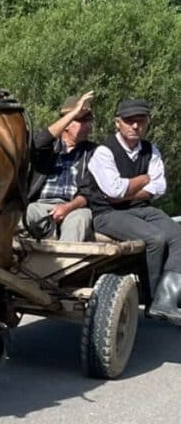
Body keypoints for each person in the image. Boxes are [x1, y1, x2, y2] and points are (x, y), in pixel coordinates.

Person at [84, 98, 181, 324]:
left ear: (147, 122)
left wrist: (127, 192)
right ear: (118, 123)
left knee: (177, 234)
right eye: (129, 121)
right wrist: (145, 179)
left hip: (142, 209)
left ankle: (167, 299)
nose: (135, 126)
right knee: (155, 238)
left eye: (140, 121)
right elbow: (113, 193)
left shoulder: (150, 150)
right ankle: (152, 298)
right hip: (107, 214)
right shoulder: (104, 152)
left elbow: (159, 187)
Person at [26, 91, 96, 241]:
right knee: (23, 215)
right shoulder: (49, 148)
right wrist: (73, 113)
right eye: (82, 120)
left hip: (75, 208)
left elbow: (88, 193)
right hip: (40, 205)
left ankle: (65, 264)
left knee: (80, 220)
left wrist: (67, 208)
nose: (89, 126)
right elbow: (37, 143)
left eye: (89, 120)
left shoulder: (94, 153)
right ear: (67, 123)